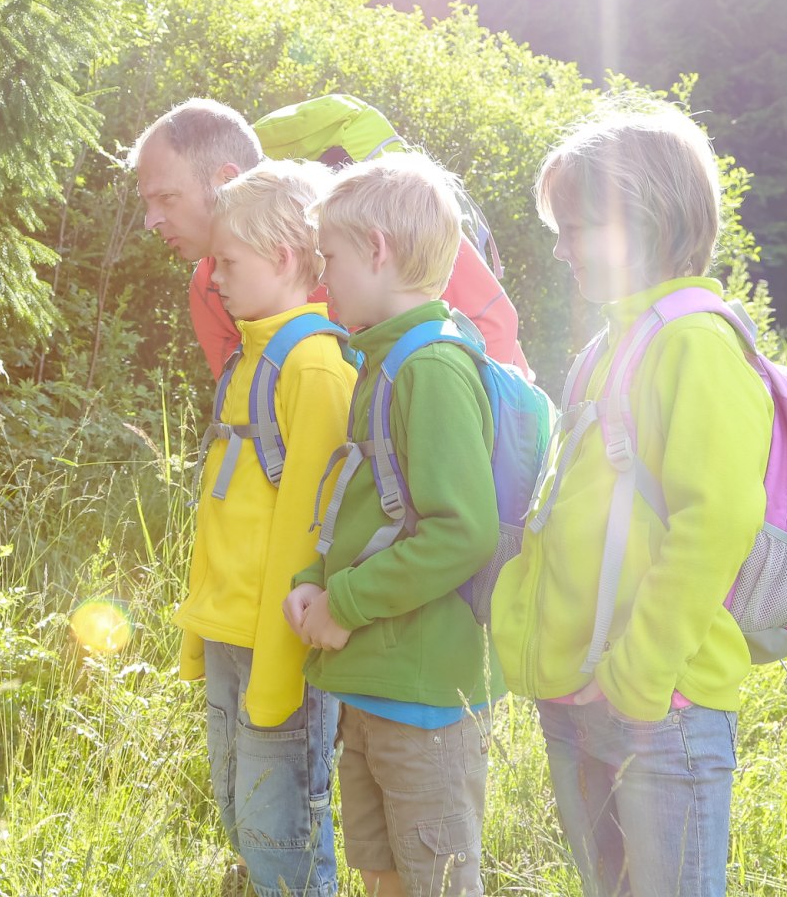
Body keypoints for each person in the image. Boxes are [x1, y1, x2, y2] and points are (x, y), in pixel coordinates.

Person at [490, 104, 774, 897]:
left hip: (658, 707)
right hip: (581, 691)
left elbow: (715, 521)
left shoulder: (696, 342)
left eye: (577, 225)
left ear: (642, 219)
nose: (560, 246)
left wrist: (635, 678)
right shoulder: (609, 344)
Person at [283, 152, 500, 897]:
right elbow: (359, 502)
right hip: (372, 686)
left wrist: (345, 602)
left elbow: (461, 531)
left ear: (376, 250)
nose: (323, 277)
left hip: (424, 700)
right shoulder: (380, 361)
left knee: (435, 884)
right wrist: (314, 581)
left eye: (331, 257)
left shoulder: (430, 369)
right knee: (382, 878)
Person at [178, 160, 355, 897]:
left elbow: (306, 533)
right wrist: (199, 635)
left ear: (284, 259)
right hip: (232, 638)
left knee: (280, 833)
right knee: (242, 822)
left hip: (278, 652)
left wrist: (281, 677)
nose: (214, 276)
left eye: (228, 261)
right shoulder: (250, 358)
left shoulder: (312, 367)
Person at [132, 98, 528, 378]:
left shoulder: (371, 216)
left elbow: (492, 323)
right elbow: (250, 418)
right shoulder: (211, 288)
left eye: (166, 197)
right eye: (147, 203)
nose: (151, 221)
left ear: (228, 181)